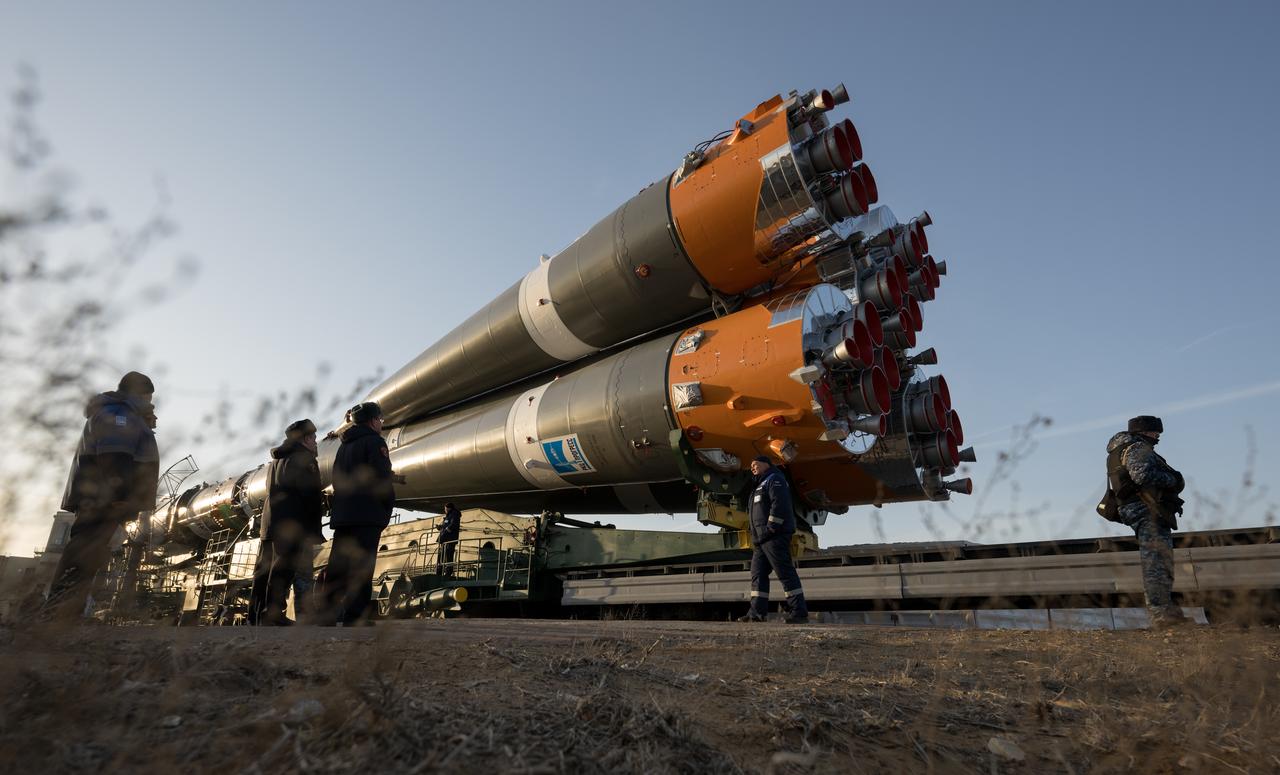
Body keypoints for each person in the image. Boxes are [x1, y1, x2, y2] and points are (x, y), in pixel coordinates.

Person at [43, 371, 161, 621]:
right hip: (103, 500)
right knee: (83, 553)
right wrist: (120, 496)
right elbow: (115, 456)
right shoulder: (119, 414)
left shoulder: (124, 414)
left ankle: (64, 612)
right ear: (139, 393)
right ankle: (57, 613)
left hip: (102, 499)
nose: (151, 403)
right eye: (148, 397)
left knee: (88, 555)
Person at [1105, 415, 1188, 627]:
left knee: (1158, 560)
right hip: (1146, 508)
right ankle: (1161, 613)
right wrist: (1174, 479)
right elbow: (1141, 475)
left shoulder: (1120, 449)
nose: (1158, 436)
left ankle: (1166, 610)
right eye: (1155, 432)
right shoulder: (1137, 448)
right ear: (1144, 431)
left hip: (1134, 508)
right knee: (1157, 563)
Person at [324, 401, 395, 626]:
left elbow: (336, 479)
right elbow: (382, 479)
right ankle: (355, 616)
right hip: (367, 514)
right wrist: (385, 510)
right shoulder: (375, 442)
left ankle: (325, 614)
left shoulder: (344, 446)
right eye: (380, 420)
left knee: (339, 566)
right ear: (373, 421)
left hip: (344, 515)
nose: (381, 424)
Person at [249, 419, 323, 625]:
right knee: (283, 569)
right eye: (314, 438)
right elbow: (310, 496)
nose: (316, 442)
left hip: (271, 522)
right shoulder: (304, 459)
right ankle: (272, 614)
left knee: (264, 570)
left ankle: (254, 615)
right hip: (292, 525)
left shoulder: (276, 462)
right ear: (306, 439)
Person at [738, 455, 809, 624]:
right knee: (757, 574)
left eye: (755, 464)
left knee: (785, 573)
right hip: (761, 540)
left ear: (766, 464)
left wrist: (771, 528)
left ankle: (799, 613)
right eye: (751, 466)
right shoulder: (759, 485)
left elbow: (780, 504)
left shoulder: (774, 479)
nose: (752, 468)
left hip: (774, 536)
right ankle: (756, 613)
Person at [435, 502, 461, 576]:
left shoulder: (454, 514)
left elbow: (453, 524)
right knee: (441, 555)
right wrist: (440, 527)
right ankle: (439, 571)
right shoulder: (448, 516)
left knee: (449, 555)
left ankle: (448, 572)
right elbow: (446, 524)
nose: (445, 510)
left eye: (445, 509)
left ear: (449, 508)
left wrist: (447, 529)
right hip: (445, 539)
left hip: (450, 539)